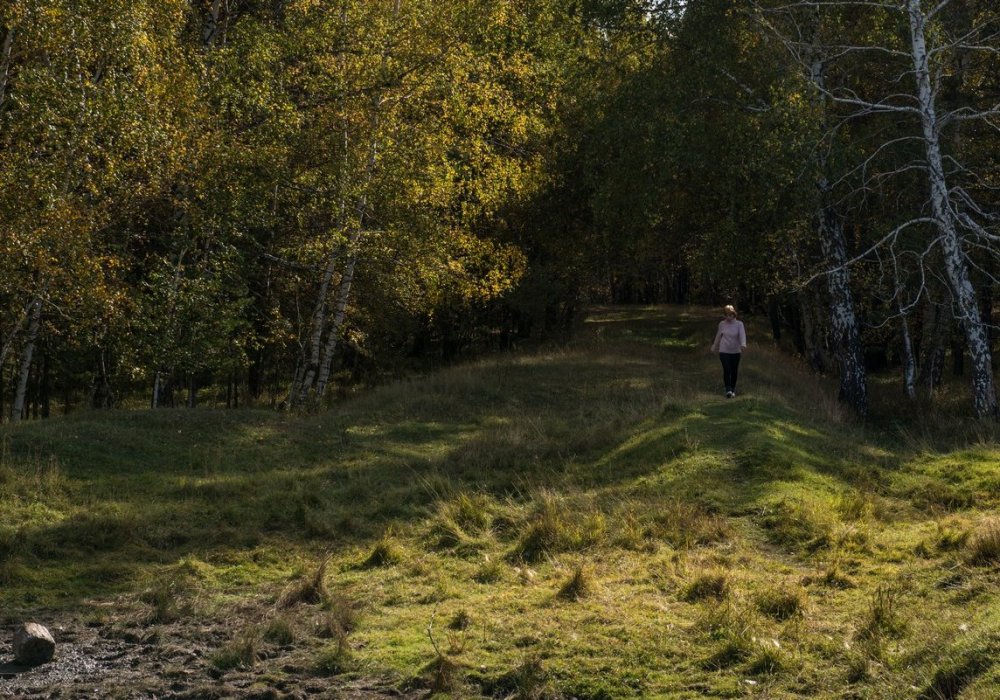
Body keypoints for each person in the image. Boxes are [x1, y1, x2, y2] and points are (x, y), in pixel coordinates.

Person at [710, 305, 747, 398]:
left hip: (736, 351)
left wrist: (743, 344)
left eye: (730, 315)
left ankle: (733, 389)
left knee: (734, 370)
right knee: (727, 369)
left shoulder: (739, 324)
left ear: (734, 314)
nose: (728, 317)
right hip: (724, 350)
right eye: (726, 315)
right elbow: (718, 336)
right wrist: (714, 346)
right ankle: (728, 390)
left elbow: (742, 335)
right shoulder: (722, 324)